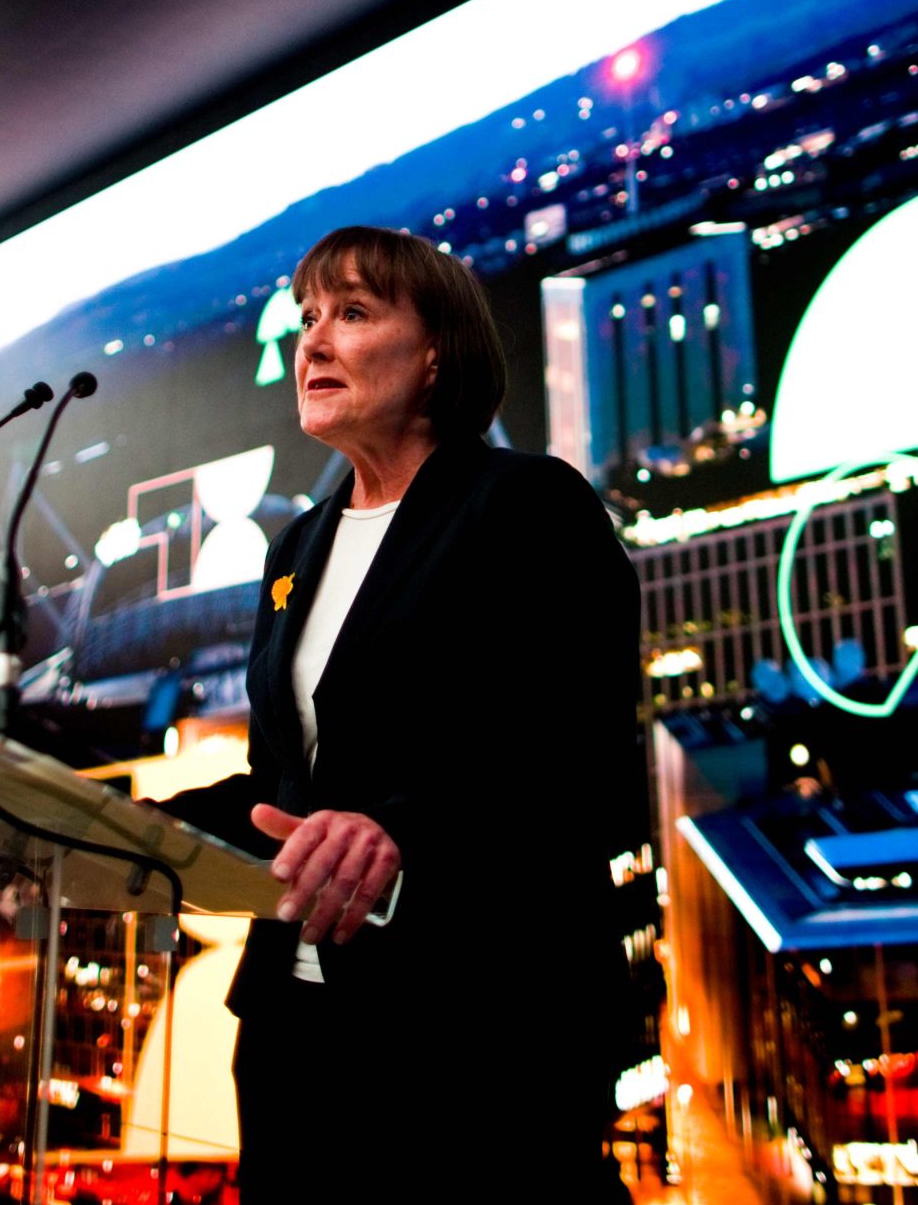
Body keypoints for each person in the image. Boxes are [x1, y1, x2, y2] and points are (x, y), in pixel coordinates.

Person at [147, 225, 643, 1200]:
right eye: (307, 318)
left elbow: (576, 760)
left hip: (482, 1023)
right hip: (296, 1029)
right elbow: (284, 789)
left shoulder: (525, 507)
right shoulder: (297, 548)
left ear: (434, 357)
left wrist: (399, 831)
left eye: (354, 314)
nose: (313, 343)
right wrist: (105, 830)